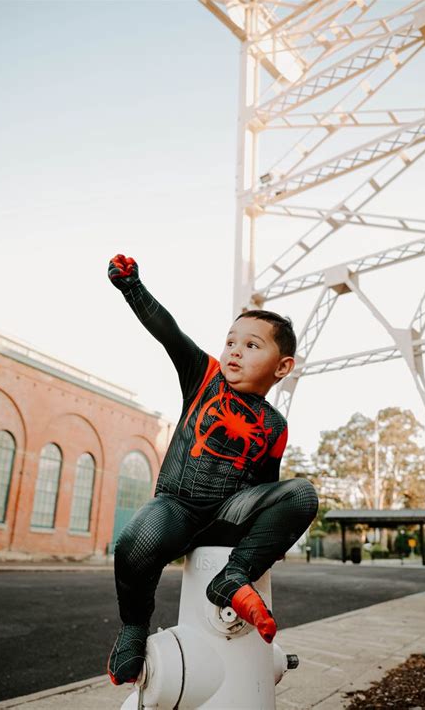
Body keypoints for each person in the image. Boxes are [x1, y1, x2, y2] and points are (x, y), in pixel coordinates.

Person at [107, 253, 318, 686]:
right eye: (231, 341)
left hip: (227, 517)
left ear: (282, 368)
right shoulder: (204, 376)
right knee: (132, 544)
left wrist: (268, 540)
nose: (235, 351)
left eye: (252, 345)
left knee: (302, 494)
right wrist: (132, 287)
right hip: (176, 507)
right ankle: (133, 627)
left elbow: (266, 488)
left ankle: (230, 580)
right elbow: (168, 331)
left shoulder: (275, 426)